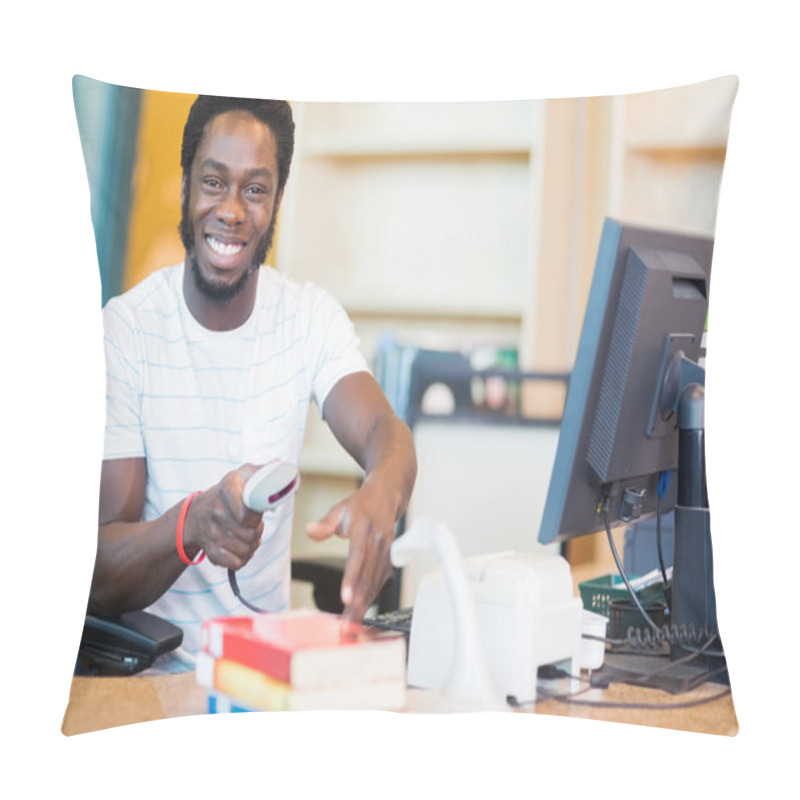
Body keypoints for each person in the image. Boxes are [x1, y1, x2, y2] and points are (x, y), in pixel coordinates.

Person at [90, 94, 417, 672]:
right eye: (214, 183)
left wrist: (382, 490)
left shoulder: (309, 318)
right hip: (150, 686)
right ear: (187, 183)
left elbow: (384, 431)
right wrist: (191, 524)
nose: (233, 211)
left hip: (263, 683)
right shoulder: (128, 330)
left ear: (277, 202)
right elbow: (94, 572)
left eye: (256, 189)